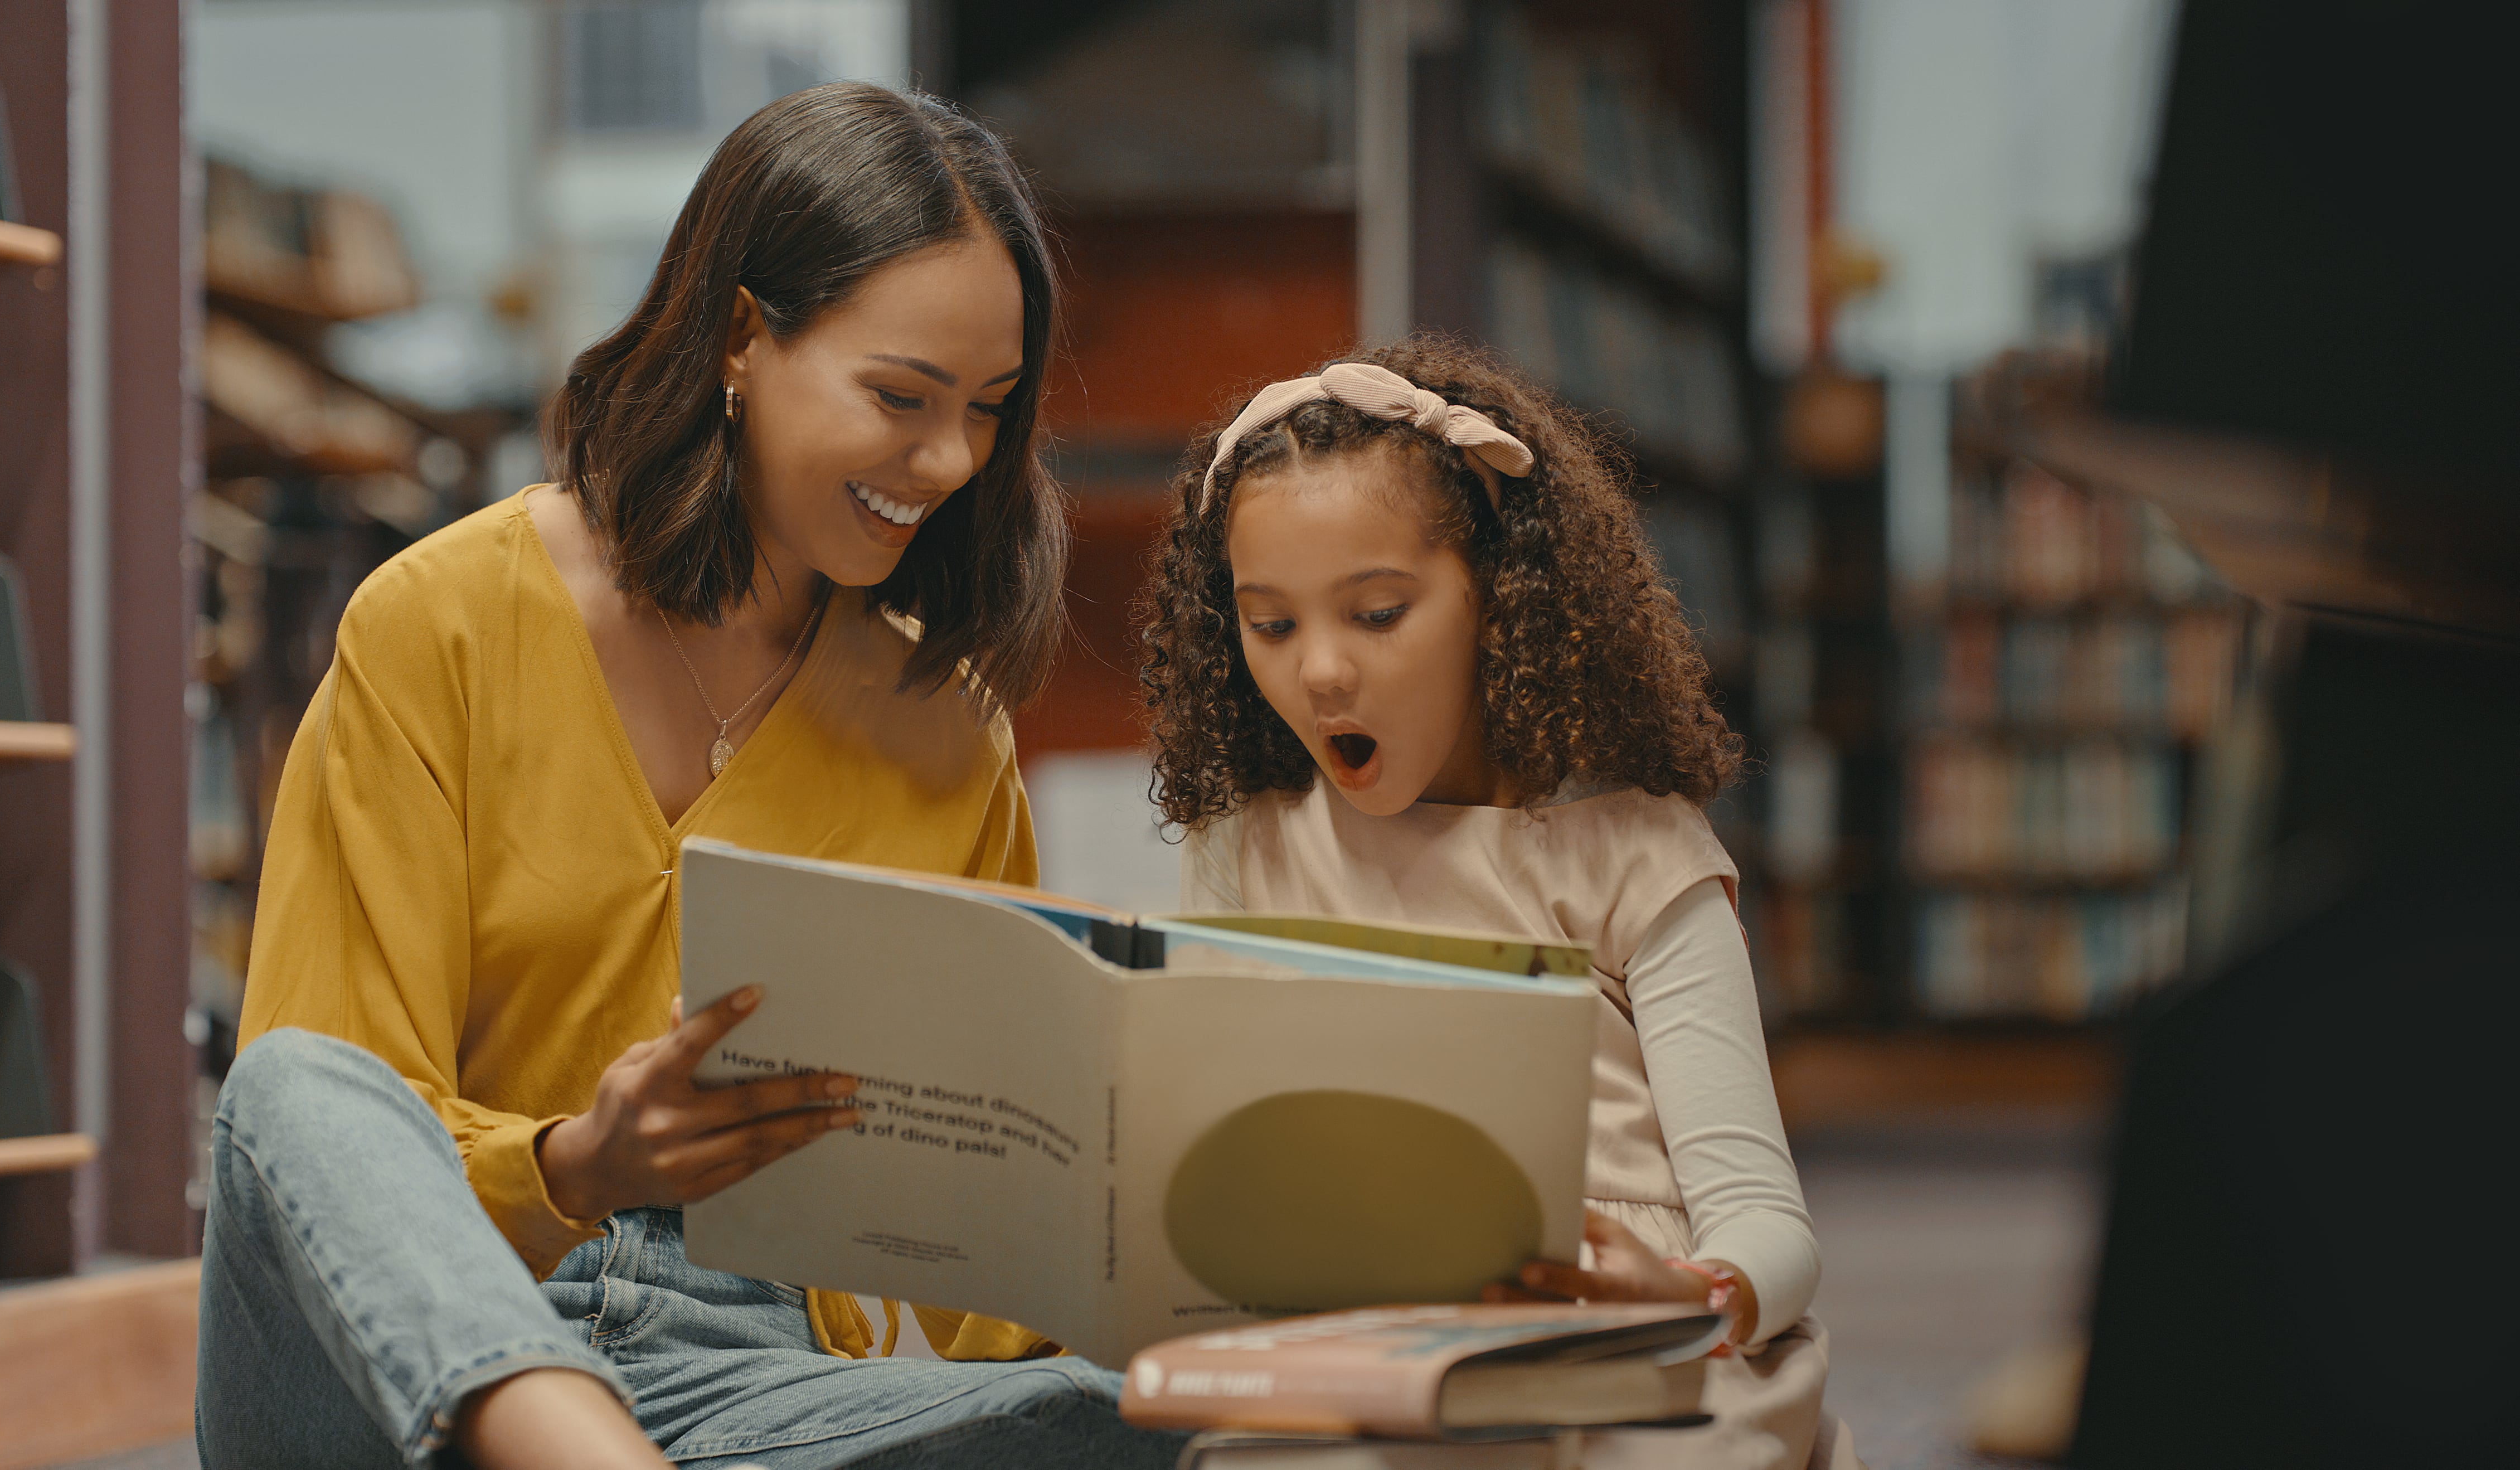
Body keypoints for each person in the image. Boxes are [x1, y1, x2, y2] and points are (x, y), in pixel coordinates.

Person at [197, 82, 1183, 1470]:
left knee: (1140, 1416)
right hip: (392, 1372)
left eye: (989, 410)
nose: (951, 460)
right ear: (739, 336)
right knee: (294, 1084)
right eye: (900, 396)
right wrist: (574, 1168)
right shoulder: (442, 622)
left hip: (745, 1394)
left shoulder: (945, 732)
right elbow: (324, 1171)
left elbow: (987, 1299)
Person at [1139, 337, 1863, 1469]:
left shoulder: (1634, 847)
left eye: (1376, 613)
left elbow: (1771, 1228)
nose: (1319, 671)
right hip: (1372, 1340)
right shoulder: (1246, 848)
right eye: (1270, 623)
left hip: (1636, 1340)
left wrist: (1689, 1291)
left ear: (1496, 602)